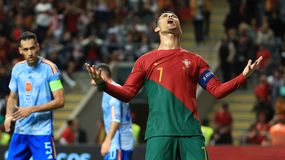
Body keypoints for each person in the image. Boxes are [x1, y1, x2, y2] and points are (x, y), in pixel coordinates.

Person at [86, 11, 262, 160]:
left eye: (174, 16)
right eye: (165, 15)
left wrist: (243, 76)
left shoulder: (196, 60)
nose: (170, 16)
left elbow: (217, 91)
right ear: (156, 28)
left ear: (181, 28)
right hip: (159, 134)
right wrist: (103, 85)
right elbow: (128, 93)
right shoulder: (144, 61)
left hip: (191, 134)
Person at [4, 31, 64, 160]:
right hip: (21, 131)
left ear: (38, 47)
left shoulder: (51, 69)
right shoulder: (17, 69)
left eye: (32, 48)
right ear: (20, 50)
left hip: (42, 133)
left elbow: (60, 101)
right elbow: (12, 96)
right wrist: (8, 116)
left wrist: (32, 109)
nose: (30, 53)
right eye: (26, 49)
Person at [97, 63, 134, 160]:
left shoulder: (114, 91)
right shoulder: (111, 90)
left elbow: (116, 119)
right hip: (118, 143)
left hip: (119, 143)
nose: (92, 81)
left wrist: (107, 141)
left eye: (94, 77)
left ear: (102, 76)